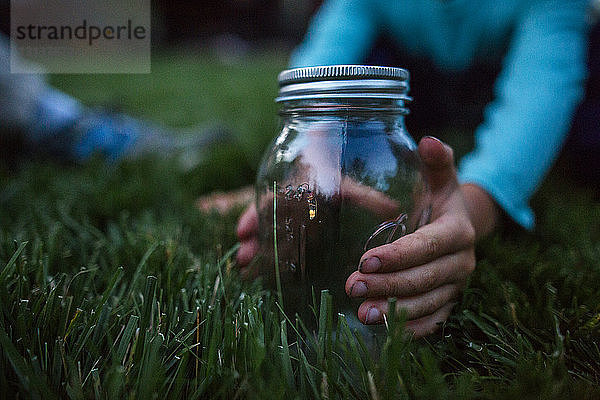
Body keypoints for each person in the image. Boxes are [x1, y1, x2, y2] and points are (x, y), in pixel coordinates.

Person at [236, 0, 597, 337]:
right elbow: (320, 65)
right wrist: (311, 171)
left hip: (507, 64)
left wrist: (473, 204)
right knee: (367, 75)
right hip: (417, 79)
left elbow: (544, 85)